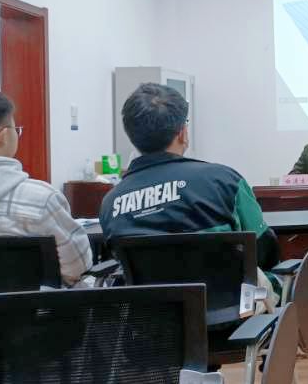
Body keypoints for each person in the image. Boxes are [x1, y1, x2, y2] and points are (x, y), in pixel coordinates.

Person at [100, 83, 280, 299]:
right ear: (182, 134)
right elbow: (264, 251)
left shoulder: (111, 202)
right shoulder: (224, 181)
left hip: (152, 315)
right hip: (232, 313)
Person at [0, 89, 92, 286]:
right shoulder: (42, 200)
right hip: (36, 306)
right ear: (3, 136)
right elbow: (78, 267)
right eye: (16, 129)